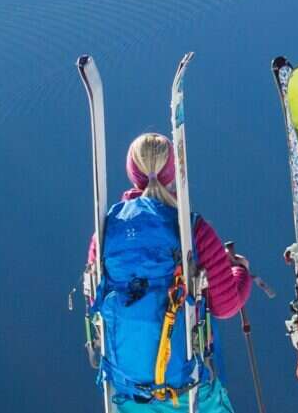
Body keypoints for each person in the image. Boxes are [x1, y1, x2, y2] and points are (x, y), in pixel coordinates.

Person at [88, 132, 255, 411]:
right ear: (174, 172)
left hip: (129, 391)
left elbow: (95, 299)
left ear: (132, 173)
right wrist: (240, 271)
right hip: (188, 388)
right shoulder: (193, 230)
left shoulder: (104, 234)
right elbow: (226, 305)